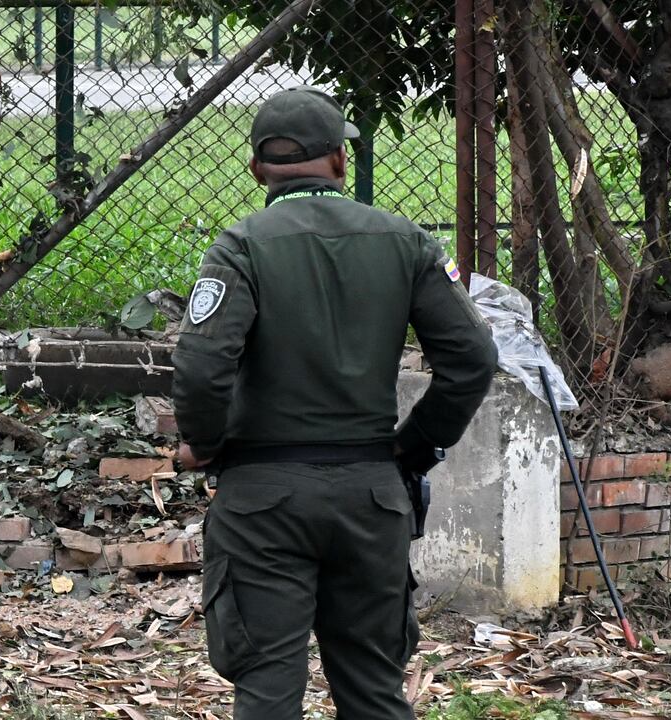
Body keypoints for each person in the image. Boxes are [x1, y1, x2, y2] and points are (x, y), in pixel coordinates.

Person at [172, 87, 498, 719]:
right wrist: (414, 443)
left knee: (267, 686)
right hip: (371, 498)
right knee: (375, 689)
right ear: (341, 162)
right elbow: (474, 358)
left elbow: (202, 364)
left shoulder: (240, 247)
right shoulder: (406, 242)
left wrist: (207, 444)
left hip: (263, 499)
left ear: (256, 167)